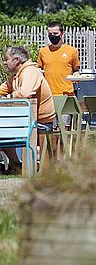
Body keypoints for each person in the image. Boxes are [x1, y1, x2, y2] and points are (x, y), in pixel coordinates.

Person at [0, 46, 56, 174]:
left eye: (6, 59)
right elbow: (3, 89)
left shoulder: (30, 72)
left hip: (40, 122)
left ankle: (17, 165)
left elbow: (25, 93)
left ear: (17, 60)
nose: (4, 63)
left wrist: (8, 97)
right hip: (25, 120)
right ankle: (15, 164)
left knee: (3, 129)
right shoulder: (16, 76)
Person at [37, 21, 80, 96]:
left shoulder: (72, 51)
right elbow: (40, 70)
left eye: (55, 33)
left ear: (62, 33)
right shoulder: (43, 51)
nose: (52, 36)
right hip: (48, 94)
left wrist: (77, 76)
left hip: (67, 93)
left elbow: (76, 70)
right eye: (50, 34)